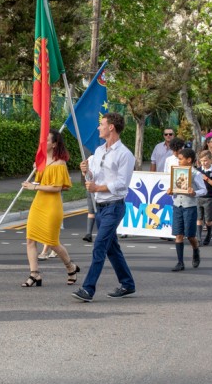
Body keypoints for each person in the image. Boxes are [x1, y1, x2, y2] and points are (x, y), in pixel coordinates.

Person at [72, 113, 135, 301]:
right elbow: (92, 176)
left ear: (111, 127)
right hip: (99, 207)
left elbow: (122, 183)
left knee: (99, 246)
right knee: (111, 248)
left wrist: (97, 188)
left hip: (114, 207)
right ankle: (128, 283)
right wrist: (86, 171)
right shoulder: (99, 151)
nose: (99, 127)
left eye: (102, 124)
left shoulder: (125, 154)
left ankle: (88, 289)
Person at [21, 129, 78, 287]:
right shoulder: (42, 160)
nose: (43, 142)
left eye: (46, 140)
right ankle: (34, 274)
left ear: (54, 144)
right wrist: (37, 169)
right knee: (30, 239)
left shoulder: (60, 163)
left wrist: (34, 187)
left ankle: (71, 267)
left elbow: (57, 187)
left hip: (52, 206)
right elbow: (41, 182)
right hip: (38, 203)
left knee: (52, 242)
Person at [167, 148, 207, 272]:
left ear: (189, 160)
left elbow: (204, 190)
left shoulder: (196, 174)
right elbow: (175, 187)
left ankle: (196, 249)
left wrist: (194, 192)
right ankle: (180, 262)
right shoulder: (176, 172)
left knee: (190, 235)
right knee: (178, 234)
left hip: (189, 206)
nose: (178, 161)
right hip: (177, 205)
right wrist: (171, 191)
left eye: (181, 159)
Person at [196, 150, 212, 246]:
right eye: (202, 161)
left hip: (209, 197)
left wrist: (206, 179)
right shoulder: (198, 170)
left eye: (206, 160)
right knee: (199, 218)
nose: (204, 163)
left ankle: (209, 234)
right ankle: (198, 238)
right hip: (199, 197)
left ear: (211, 160)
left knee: (208, 220)